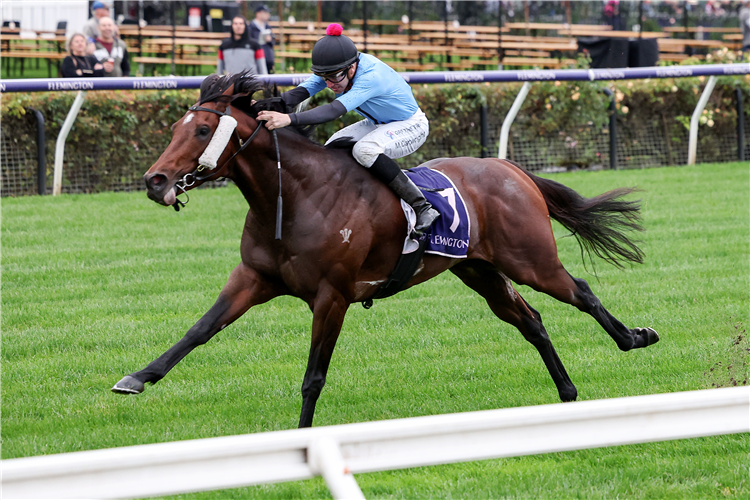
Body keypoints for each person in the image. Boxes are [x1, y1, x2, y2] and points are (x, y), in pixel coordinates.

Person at [257, 24, 439, 236]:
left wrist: (288, 119)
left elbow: (333, 110)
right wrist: (261, 106)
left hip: (411, 125)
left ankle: (422, 207)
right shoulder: (335, 69)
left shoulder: (370, 77)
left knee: (365, 150)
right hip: (380, 122)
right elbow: (300, 93)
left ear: (352, 68)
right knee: (331, 147)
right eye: (324, 77)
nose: (329, 84)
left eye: (333, 77)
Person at [248, 4, 275, 73]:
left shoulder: (268, 26)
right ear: (258, 14)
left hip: (268, 60)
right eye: (265, 12)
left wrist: (270, 40)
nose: (267, 14)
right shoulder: (250, 27)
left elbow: (273, 43)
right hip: (256, 61)